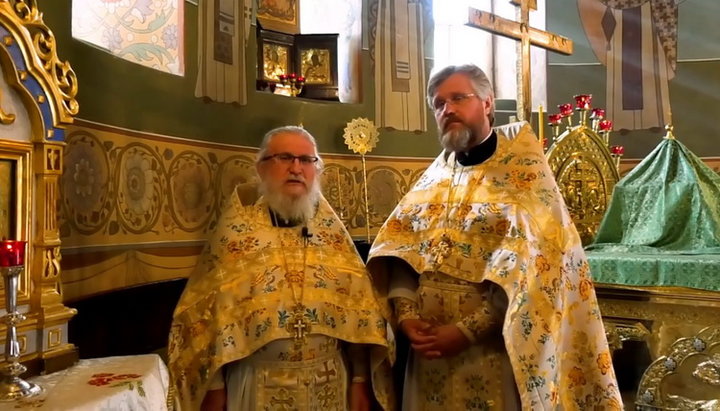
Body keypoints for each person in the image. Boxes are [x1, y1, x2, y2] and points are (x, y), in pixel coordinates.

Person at [367, 64, 622, 409]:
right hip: (427, 356)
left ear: (487, 103)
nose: (448, 109)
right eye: (439, 104)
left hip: (493, 353)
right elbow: (400, 254)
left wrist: (466, 331)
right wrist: (407, 315)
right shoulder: (432, 179)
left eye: (459, 98)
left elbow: (537, 274)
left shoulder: (525, 178)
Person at [168, 126, 395, 411]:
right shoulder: (236, 236)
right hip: (257, 382)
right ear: (261, 168)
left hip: (329, 382)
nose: (296, 168)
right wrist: (215, 388)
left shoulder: (333, 236)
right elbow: (210, 320)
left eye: (306, 160)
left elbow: (360, 314)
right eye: (285, 158)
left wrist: (360, 380)